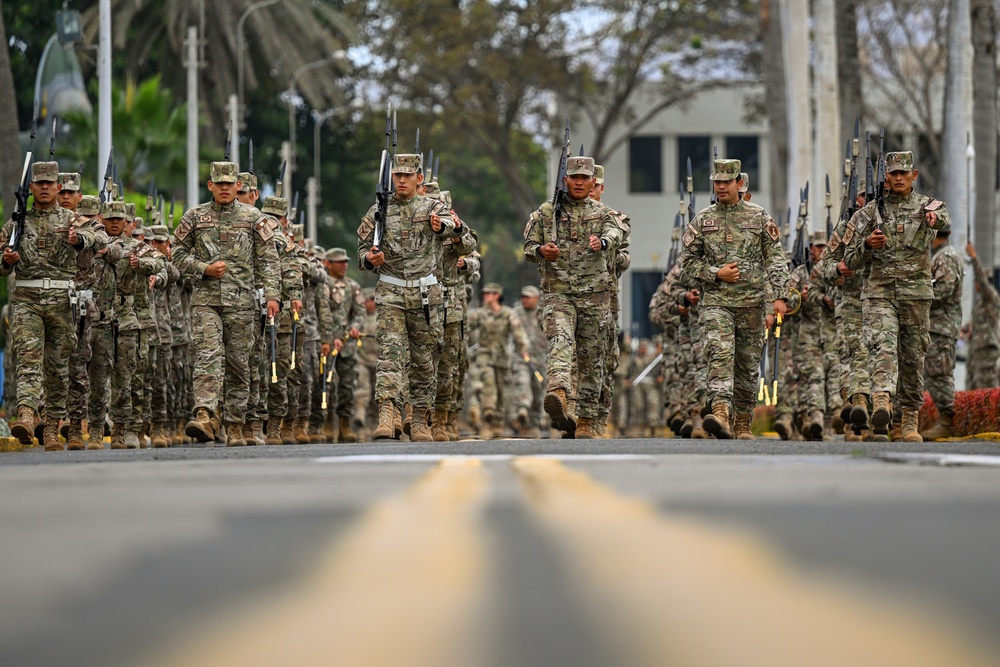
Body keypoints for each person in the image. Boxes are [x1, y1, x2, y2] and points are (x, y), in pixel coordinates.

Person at [842, 151, 949, 442]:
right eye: (893, 174)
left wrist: (932, 218)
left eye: (904, 173)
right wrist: (867, 245)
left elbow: (942, 218)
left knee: (913, 359)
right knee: (883, 347)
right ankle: (882, 405)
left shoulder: (928, 206)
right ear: (885, 177)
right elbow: (848, 260)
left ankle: (907, 421)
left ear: (914, 175)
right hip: (879, 294)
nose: (899, 178)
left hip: (916, 296)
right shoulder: (868, 213)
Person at [172, 162, 281, 446]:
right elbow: (176, 255)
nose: (223, 188)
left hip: (242, 302)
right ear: (210, 185)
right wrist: (202, 268)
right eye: (218, 183)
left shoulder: (253, 217)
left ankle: (235, 424)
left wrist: (272, 296)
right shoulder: (194, 217)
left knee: (238, 365)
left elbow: (268, 258)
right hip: (206, 301)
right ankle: (205, 413)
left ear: (237, 187)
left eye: (228, 184)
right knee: (208, 355)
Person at [679, 158, 790, 440]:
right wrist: (716, 273)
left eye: (726, 182)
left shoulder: (759, 217)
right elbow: (687, 266)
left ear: (739, 184)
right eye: (716, 182)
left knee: (747, 364)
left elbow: (776, 259)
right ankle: (719, 411)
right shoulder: (703, 220)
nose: (720, 187)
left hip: (752, 304)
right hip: (717, 304)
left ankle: (742, 420)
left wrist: (781, 295)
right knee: (719, 354)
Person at [522, 155, 624, 439]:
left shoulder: (604, 214)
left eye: (584, 178)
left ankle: (587, 419)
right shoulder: (546, 213)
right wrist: (542, 251)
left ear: (594, 182)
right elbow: (528, 247)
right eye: (574, 177)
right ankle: (558, 392)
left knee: (592, 358)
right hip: (558, 294)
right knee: (561, 342)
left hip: (595, 297)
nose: (579, 182)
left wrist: (602, 242)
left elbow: (616, 233)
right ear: (565, 180)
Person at [357, 153, 457, 441]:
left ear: (419, 179)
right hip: (390, 291)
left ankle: (421, 418)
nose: (401, 180)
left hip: (425, 294)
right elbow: (361, 250)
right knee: (389, 355)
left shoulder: (433, 207)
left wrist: (443, 226)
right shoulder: (378, 211)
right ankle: (388, 414)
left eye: (407, 175)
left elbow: (457, 228)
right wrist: (369, 259)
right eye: (397, 175)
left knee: (423, 359)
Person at [1, 162, 100, 448]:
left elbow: (99, 236)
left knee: (57, 368)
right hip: (26, 301)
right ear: (30, 188)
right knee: (29, 361)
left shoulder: (73, 219)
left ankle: (52, 428)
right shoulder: (17, 223)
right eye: (39, 183)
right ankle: (27, 415)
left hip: (60, 302)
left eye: (50, 183)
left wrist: (80, 239)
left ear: (59, 187)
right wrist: (5, 262)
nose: (45, 187)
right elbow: (0, 259)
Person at [917, 231, 964, 440]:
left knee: (940, 373)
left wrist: (919, 294)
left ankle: (948, 420)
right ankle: (944, 419)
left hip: (942, 327)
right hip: (938, 327)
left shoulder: (945, 256)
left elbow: (945, 288)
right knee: (934, 373)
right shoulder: (942, 255)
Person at [468, 283, 530, 439]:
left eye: (489, 293)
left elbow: (518, 333)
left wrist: (522, 347)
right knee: (488, 382)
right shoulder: (480, 314)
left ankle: (497, 423)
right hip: (484, 355)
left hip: (502, 357)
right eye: (484, 293)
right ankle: (487, 413)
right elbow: (466, 328)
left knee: (502, 391)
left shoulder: (508, 314)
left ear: (497, 295)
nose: (485, 296)